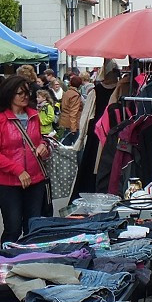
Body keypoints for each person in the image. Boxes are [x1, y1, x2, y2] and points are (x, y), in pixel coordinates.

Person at [0, 74, 51, 245]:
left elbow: (40, 140)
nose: (25, 96)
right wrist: (18, 170)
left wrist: (44, 146)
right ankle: (6, 261)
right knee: (12, 228)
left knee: (33, 227)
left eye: (27, 92)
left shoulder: (34, 116)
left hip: (36, 179)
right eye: (20, 93)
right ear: (9, 95)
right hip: (9, 183)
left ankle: (30, 263)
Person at [70, 60, 127, 199]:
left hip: (107, 134)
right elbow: (86, 117)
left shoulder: (116, 89)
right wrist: (82, 138)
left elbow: (85, 118)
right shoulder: (99, 91)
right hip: (101, 135)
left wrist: (81, 138)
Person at [58, 75, 83, 143]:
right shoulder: (75, 95)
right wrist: (73, 128)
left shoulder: (66, 93)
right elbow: (73, 112)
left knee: (65, 146)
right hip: (72, 123)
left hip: (64, 121)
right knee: (77, 147)